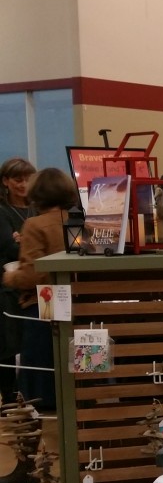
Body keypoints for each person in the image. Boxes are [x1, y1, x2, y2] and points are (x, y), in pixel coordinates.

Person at [2, 168, 79, 410]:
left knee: (43, 384)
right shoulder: (78, 220)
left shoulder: (34, 225)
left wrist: (10, 278)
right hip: (79, 303)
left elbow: (33, 275)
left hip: (45, 304)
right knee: (80, 373)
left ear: (38, 193)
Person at [0, 158, 35, 404]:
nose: (23, 185)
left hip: (36, 286)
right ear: (5, 181)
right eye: (17, 179)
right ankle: (9, 397)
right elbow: (7, 248)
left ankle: (32, 394)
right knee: (8, 345)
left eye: (27, 179)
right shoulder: (2, 211)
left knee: (33, 341)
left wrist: (22, 241)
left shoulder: (38, 207)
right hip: (9, 287)